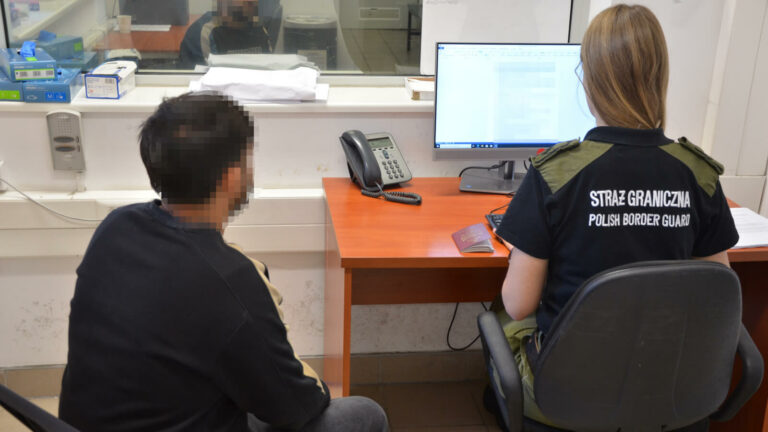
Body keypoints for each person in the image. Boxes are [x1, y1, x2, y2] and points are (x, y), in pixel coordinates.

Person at [59, 92, 389, 432]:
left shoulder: (116, 227)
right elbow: (295, 407)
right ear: (232, 177)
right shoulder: (231, 280)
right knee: (365, 414)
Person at [492, 4, 739, 427]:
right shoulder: (698, 175)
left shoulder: (555, 174)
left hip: (569, 398)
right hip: (670, 391)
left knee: (501, 320)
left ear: (589, 80)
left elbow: (518, 305)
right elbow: (716, 293)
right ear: (660, 78)